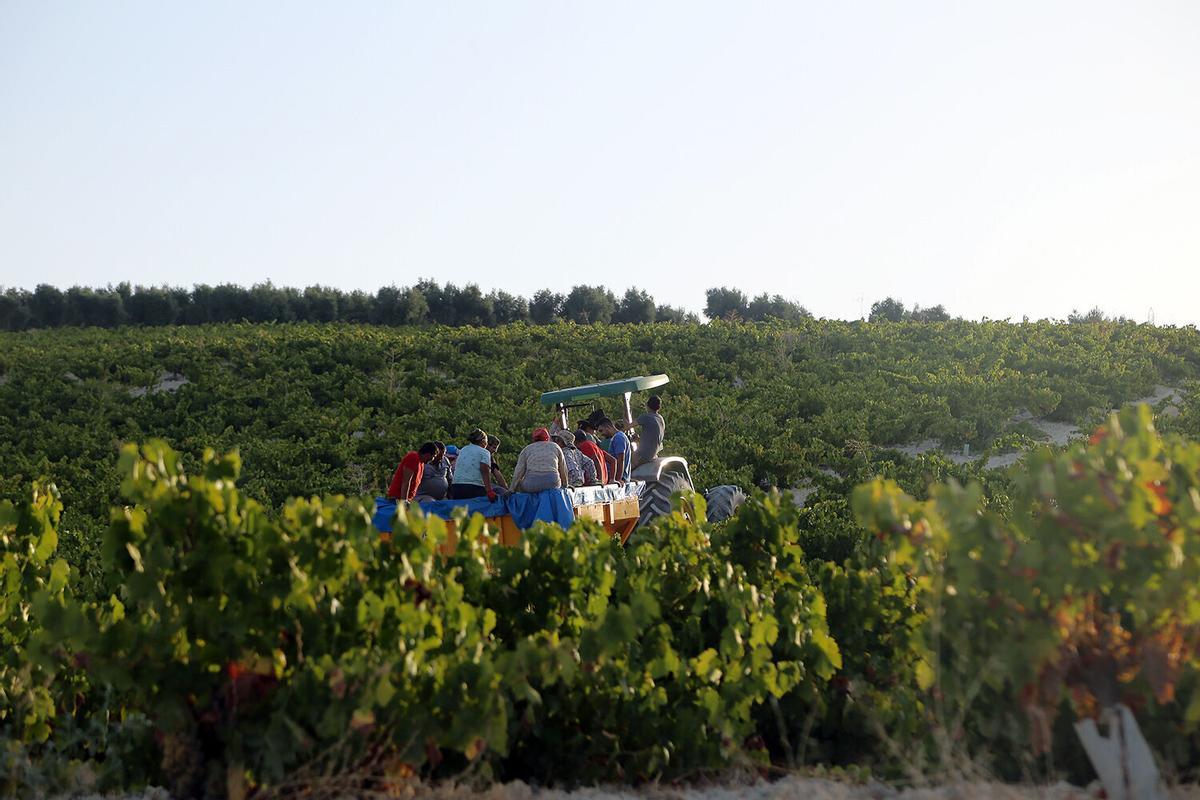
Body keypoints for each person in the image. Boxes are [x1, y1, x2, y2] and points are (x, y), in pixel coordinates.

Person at [510, 427, 569, 493]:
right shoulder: (555, 446)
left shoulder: (527, 449)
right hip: (553, 483)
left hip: (532, 485)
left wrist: (511, 489)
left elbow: (518, 472)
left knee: (519, 484)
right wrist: (565, 485)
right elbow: (563, 469)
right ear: (548, 438)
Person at [449, 428, 498, 501]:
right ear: (483, 441)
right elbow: (484, 470)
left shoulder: (463, 450)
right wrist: (489, 491)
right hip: (474, 487)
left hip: (456, 486)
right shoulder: (484, 452)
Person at [631, 395, 665, 470]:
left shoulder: (646, 417)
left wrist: (625, 412)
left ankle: (624, 478)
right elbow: (652, 440)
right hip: (654, 453)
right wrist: (638, 440)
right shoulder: (660, 418)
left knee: (627, 463)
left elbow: (627, 426)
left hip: (644, 455)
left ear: (648, 405)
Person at [597, 417, 631, 482]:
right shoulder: (616, 437)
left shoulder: (619, 437)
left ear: (607, 427)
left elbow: (621, 459)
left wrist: (618, 480)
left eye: (601, 430)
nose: (601, 434)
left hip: (619, 479)